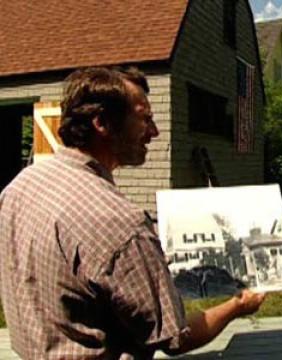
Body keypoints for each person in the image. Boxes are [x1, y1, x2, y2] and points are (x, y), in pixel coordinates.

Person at [0, 67, 264, 359]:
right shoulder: (121, 224)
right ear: (102, 122)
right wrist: (238, 305)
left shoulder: (21, 185)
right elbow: (175, 338)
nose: (154, 131)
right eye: (144, 118)